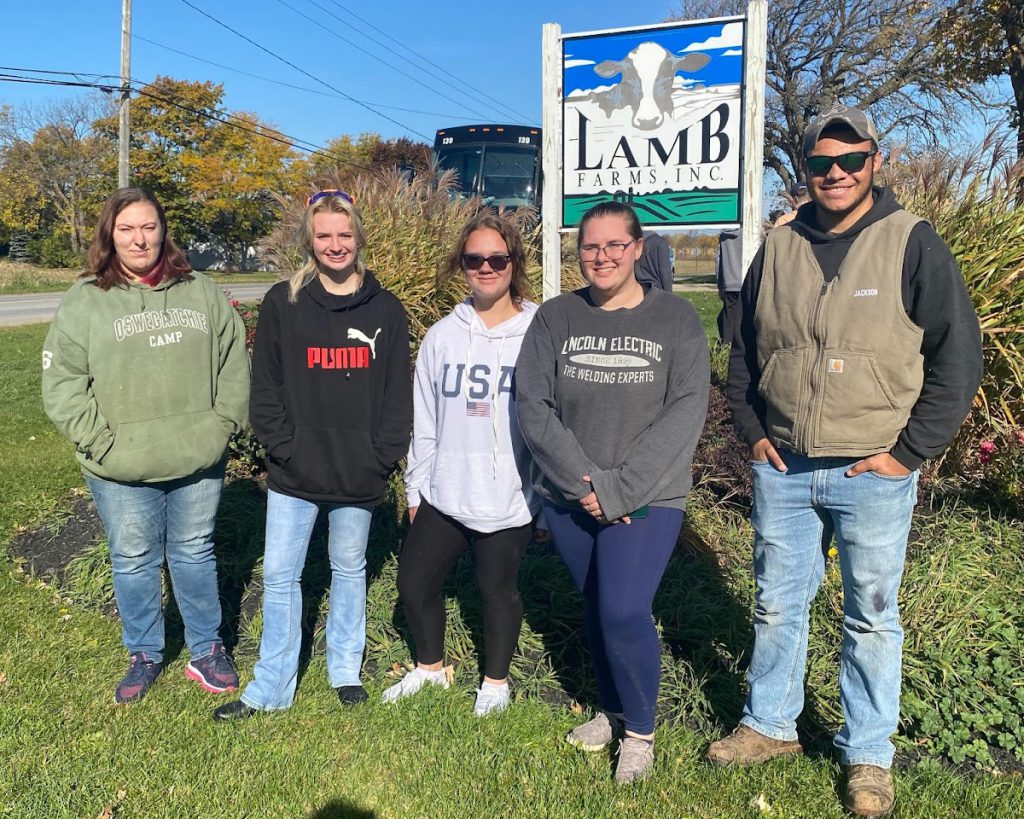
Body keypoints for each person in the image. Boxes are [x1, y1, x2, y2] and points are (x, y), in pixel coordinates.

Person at [707, 104, 983, 817]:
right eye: (820, 163)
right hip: (787, 466)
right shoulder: (780, 245)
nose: (834, 173)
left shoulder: (911, 241)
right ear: (804, 169)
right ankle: (770, 724)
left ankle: (868, 754)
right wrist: (752, 430)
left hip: (874, 468)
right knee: (776, 604)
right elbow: (743, 346)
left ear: (875, 160)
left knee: (871, 615)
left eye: (849, 160)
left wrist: (908, 452)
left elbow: (958, 356)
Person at [515, 201, 710, 784]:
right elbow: (534, 406)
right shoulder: (556, 318)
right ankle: (613, 709)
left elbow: (685, 413)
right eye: (590, 247)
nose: (600, 257)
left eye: (613, 246)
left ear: (638, 249)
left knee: (624, 608)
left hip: (650, 494)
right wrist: (586, 485)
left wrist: (619, 489)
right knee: (598, 608)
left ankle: (641, 734)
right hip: (571, 495)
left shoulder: (675, 321)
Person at [42, 187, 250, 704]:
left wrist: (222, 424)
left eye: (149, 227)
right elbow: (63, 382)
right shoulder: (86, 299)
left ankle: (206, 648)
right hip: (118, 463)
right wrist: (99, 441)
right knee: (133, 557)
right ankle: (145, 652)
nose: (140, 239)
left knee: (194, 552)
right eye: (127, 228)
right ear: (110, 236)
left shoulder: (199, 290)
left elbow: (233, 361)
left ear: (163, 231)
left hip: (196, 456)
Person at [213, 190, 412, 720]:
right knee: (280, 576)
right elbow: (267, 387)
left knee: (349, 569)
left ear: (359, 238)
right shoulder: (285, 303)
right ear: (309, 240)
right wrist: (284, 447)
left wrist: (381, 457)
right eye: (324, 235)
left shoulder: (386, 309)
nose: (335, 245)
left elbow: (397, 395)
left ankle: (344, 669)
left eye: (345, 235)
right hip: (294, 471)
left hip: (358, 472)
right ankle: (270, 687)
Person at [382, 213, 540, 716]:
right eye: (475, 259)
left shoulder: (539, 331)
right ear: (462, 265)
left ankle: (495, 682)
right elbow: (424, 420)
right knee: (413, 583)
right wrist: (415, 490)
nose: (486, 268)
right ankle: (429, 668)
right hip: (446, 491)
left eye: (498, 258)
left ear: (514, 263)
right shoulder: (442, 337)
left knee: (497, 590)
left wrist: (548, 493)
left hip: (510, 495)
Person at [715, 228, 743, 346]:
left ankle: (726, 346)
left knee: (728, 316)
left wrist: (720, 284)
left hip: (729, 282)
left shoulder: (723, 236)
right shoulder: (749, 233)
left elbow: (718, 260)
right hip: (744, 280)